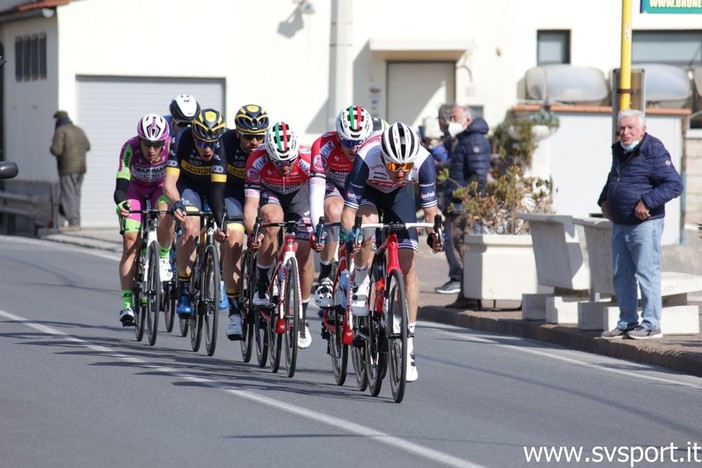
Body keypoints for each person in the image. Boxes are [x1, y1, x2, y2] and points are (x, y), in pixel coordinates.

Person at [341, 122, 444, 382]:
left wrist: (435, 235)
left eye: (406, 166)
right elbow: (348, 212)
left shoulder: (424, 161)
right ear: (383, 157)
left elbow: (431, 213)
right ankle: (363, 279)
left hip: (400, 197)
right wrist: (350, 236)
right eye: (394, 166)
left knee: (408, 266)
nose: (400, 171)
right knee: (365, 226)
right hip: (369, 194)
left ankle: (408, 341)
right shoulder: (366, 156)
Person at [599, 109, 683, 340]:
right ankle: (627, 322)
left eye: (630, 128)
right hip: (620, 222)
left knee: (646, 273)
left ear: (642, 129)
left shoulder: (653, 150)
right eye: (622, 129)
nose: (625, 133)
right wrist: (604, 200)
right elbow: (614, 178)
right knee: (622, 274)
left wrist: (647, 201)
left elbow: (674, 184)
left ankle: (651, 324)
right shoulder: (620, 151)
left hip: (645, 224)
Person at [243, 121, 315, 349]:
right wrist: (253, 232)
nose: (284, 167)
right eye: (278, 162)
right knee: (272, 221)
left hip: (299, 195)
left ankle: (301, 314)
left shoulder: (307, 159)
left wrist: (315, 230)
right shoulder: (257, 159)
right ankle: (262, 281)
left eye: (288, 161)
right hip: (270, 193)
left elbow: (317, 198)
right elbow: (251, 204)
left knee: (304, 251)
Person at [309, 105, 375, 312]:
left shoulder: (374, 146)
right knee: (335, 211)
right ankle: (326, 273)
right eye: (348, 142)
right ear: (338, 136)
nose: (354, 148)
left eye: (359, 142)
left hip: (362, 188)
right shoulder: (323, 146)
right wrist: (317, 228)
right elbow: (316, 191)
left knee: (370, 223)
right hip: (333, 187)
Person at [164, 108, 228, 318]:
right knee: (190, 226)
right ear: (194, 135)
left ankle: (220, 280)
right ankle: (183, 288)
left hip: (215, 188)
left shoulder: (222, 145)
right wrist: (177, 203)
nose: (207, 149)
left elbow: (219, 191)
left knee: (226, 232)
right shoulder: (181, 138)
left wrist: (221, 222)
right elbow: (169, 183)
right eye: (201, 143)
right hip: (188, 186)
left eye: (211, 144)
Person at [114, 114, 175, 326]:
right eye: (147, 144)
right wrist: (122, 204)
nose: (151, 150)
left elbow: (176, 182)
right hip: (135, 190)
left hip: (160, 188)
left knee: (166, 213)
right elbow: (121, 184)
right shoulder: (129, 147)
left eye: (156, 145)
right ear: (139, 140)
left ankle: (164, 256)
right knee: (130, 240)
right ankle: (127, 303)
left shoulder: (171, 147)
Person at [218, 104, 269, 340]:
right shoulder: (225, 143)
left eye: (260, 136)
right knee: (234, 239)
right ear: (238, 132)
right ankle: (235, 310)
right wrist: (220, 221)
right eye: (249, 136)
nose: (255, 142)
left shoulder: (270, 146)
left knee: (273, 233)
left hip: (260, 192)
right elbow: (216, 186)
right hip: (233, 194)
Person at [435, 105, 491, 310]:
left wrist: (466, 199)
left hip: (463, 206)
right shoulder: (465, 139)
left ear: (467, 119)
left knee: (463, 250)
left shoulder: (475, 140)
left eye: (455, 117)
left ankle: (469, 296)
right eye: (450, 117)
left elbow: (478, 175)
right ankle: (466, 296)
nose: (451, 121)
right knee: (459, 249)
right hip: (455, 203)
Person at [50, 110, 91, 231]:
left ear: (58, 120)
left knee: (68, 195)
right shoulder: (78, 129)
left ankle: (73, 223)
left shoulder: (61, 131)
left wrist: (51, 147)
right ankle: (77, 221)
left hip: (67, 168)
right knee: (76, 194)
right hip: (81, 168)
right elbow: (88, 146)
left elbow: (56, 150)